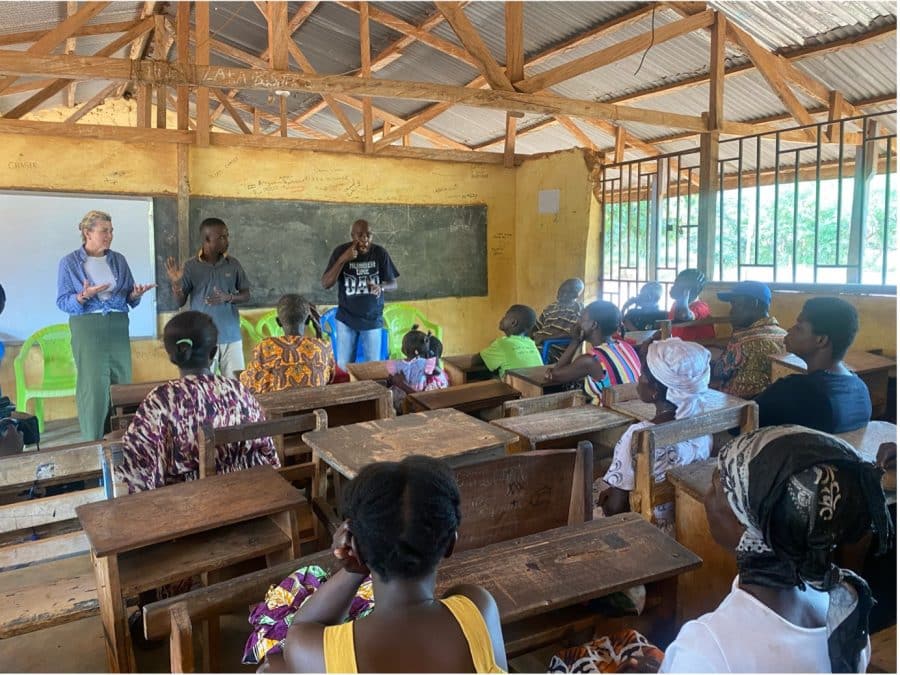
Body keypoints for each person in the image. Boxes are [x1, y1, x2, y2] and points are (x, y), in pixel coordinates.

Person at [659, 425, 892, 672]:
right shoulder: (845, 609)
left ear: (744, 521)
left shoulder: (708, 649)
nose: (707, 497)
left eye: (717, 487)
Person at [251, 456, 507, 673]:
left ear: (356, 550)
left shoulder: (312, 649)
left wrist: (352, 568)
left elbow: (303, 627)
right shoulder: (478, 609)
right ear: (450, 544)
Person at [118, 311, 279, 493]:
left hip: (188, 504)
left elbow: (133, 467)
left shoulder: (160, 401)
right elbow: (267, 450)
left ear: (172, 356)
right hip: (247, 494)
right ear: (214, 352)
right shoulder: (239, 391)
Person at [56, 210, 156, 440]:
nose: (109, 236)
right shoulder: (69, 262)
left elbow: (129, 298)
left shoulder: (118, 259)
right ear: (87, 232)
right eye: (104, 231)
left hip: (118, 326)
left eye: (111, 231)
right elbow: (62, 301)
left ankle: (123, 437)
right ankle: (93, 440)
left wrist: (135, 294)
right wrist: (83, 296)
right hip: (88, 328)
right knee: (94, 385)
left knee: (122, 381)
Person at [597, 338, 716, 532]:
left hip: (650, 530)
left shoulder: (638, 435)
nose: (639, 378)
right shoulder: (704, 424)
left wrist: (603, 505)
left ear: (654, 390)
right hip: (688, 520)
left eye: (643, 373)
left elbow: (617, 508)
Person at [754, 297, 871, 433]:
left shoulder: (796, 390)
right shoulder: (861, 389)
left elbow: (742, 421)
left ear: (821, 340)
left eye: (799, 328)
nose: (789, 330)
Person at [165, 217, 250, 379]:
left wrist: (229, 297)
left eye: (227, 236)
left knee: (237, 384)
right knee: (203, 385)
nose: (227, 241)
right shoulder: (190, 267)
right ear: (206, 239)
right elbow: (180, 302)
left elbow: (246, 295)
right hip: (202, 339)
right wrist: (176, 284)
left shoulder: (233, 264)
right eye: (221, 237)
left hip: (231, 336)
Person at [322, 219, 399, 369]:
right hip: (346, 319)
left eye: (368, 235)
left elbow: (393, 284)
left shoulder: (379, 253)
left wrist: (380, 287)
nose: (364, 239)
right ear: (352, 236)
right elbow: (326, 283)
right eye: (360, 235)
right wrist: (343, 259)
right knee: (345, 367)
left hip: (372, 319)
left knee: (372, 368)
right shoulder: (340, 252)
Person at [548, 300, 641, 405]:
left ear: (593, 325)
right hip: (633, 410)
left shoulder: (590, 360)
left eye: (581, 318)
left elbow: (555, 375)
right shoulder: (625, 346)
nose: (577, 323)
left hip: (611, 415)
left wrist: (575, 341)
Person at [240, 294, 335, 394]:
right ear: (308, 320)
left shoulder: (265, 347)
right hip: (316, 407)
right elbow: (329, 379)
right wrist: (319, 333)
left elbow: (249, 385)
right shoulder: (324, 347)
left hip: (277, 408)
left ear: (278, 322)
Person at [710, 281, 787, 399]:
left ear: (753, 303)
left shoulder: (741, 340)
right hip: (771, 406)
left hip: (737, 407)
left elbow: (719, 372)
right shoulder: (785, 336)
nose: (731, 311)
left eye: (735, 304)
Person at [387, 324, 449, 412]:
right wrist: (391, 382)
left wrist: (402, 384)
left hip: (424, 412)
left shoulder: (433, 378)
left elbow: (424, 403)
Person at [476, 304, 543, 379]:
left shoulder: (502, 343)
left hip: (516, 388)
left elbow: (476, 361)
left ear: (513, 322)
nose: (502, 318)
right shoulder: (530, 343)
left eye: (505, 316)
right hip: (536, 386)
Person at [532, 278, 585, 363]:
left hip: (553, 351)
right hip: (536, 345)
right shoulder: (551, 307)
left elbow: (575, 334)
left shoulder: (579, 311)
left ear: (574, 295)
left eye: (564, 291)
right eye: (560, 290)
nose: (559, 294)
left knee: (529, 357)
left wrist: (545, 338)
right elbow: (537, 327)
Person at [668, 268, 716, 341]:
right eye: (676, 283)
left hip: (701, 348)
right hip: (682, 347)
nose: (674, 287)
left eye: (680, 284)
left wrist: (685, 294)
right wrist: (651, 338)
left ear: (693, 289)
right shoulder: (676, 304)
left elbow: (684, 315)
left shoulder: (701, 307)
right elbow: (669, 327)